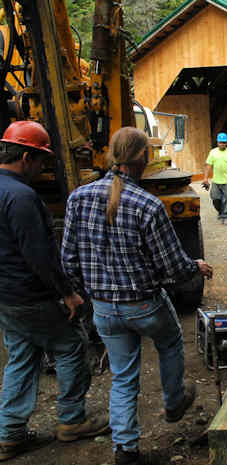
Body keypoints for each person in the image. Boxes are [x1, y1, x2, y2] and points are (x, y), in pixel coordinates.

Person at [61, 127, 214, 465]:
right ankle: (174, 402)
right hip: (145, 305)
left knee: (123, 375)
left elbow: (68, 260)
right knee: (170, 341)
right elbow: (172, 265)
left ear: (110, 156)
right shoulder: (148, 205)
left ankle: (126, 449)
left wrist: (82, 295)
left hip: (103, 309)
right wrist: (196, 266)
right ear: (144, 159)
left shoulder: (78, 198)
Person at [0, 121, 110, 461]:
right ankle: (71, 421)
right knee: (71, 346)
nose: (43, 168)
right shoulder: (21, 197)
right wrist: (68, 293)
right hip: (31, 295)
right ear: (26, 157)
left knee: (23, 355)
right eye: (42, 161)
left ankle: (9, 434)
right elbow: (39, 256)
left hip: (6, 297)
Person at [202, 132, 227, 225]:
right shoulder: (213, 152)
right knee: (215, 199)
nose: (222, 144)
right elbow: (208, 166)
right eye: (220, 142)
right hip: (216, 181)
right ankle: (221, 212)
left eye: (224, 142)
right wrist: (205, 178)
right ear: (217, 142)